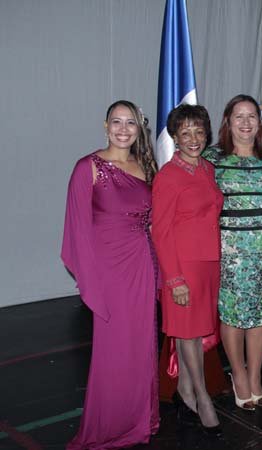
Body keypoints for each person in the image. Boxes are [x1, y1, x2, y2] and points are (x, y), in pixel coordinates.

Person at [61, 100, 159, 448]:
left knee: (141, 346)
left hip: (141, 265)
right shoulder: (87, 167)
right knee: (113, 349)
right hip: (109, 271)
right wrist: (91, 278)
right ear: (105, 126)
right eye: (116, 122)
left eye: (130, 123)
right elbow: (76, 229)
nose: (123, 129)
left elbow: (153, 222)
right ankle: (108, 425)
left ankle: (137, 420)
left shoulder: (145, 166)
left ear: (139, 128)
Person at [202, 95, 262, 411]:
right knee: (232, 315)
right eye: (239, 116)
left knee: (261, 315)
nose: (246, 122)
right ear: (228, 121)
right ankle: (238, 375)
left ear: (259, 123)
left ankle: (256, 377)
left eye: (252, 116)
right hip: (229, 253)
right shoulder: (211, 158)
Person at [151, 104, 224, 435]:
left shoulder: (207, 168)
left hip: (209, 264)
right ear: (175, 138)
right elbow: (161, 232)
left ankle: (184, 390)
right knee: (189, 334)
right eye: (185, 133)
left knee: (192, 332)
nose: (193, 139)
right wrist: (174, 278)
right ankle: (202, 397)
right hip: (183, 268)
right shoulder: (168, 176)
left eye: (199, 132)